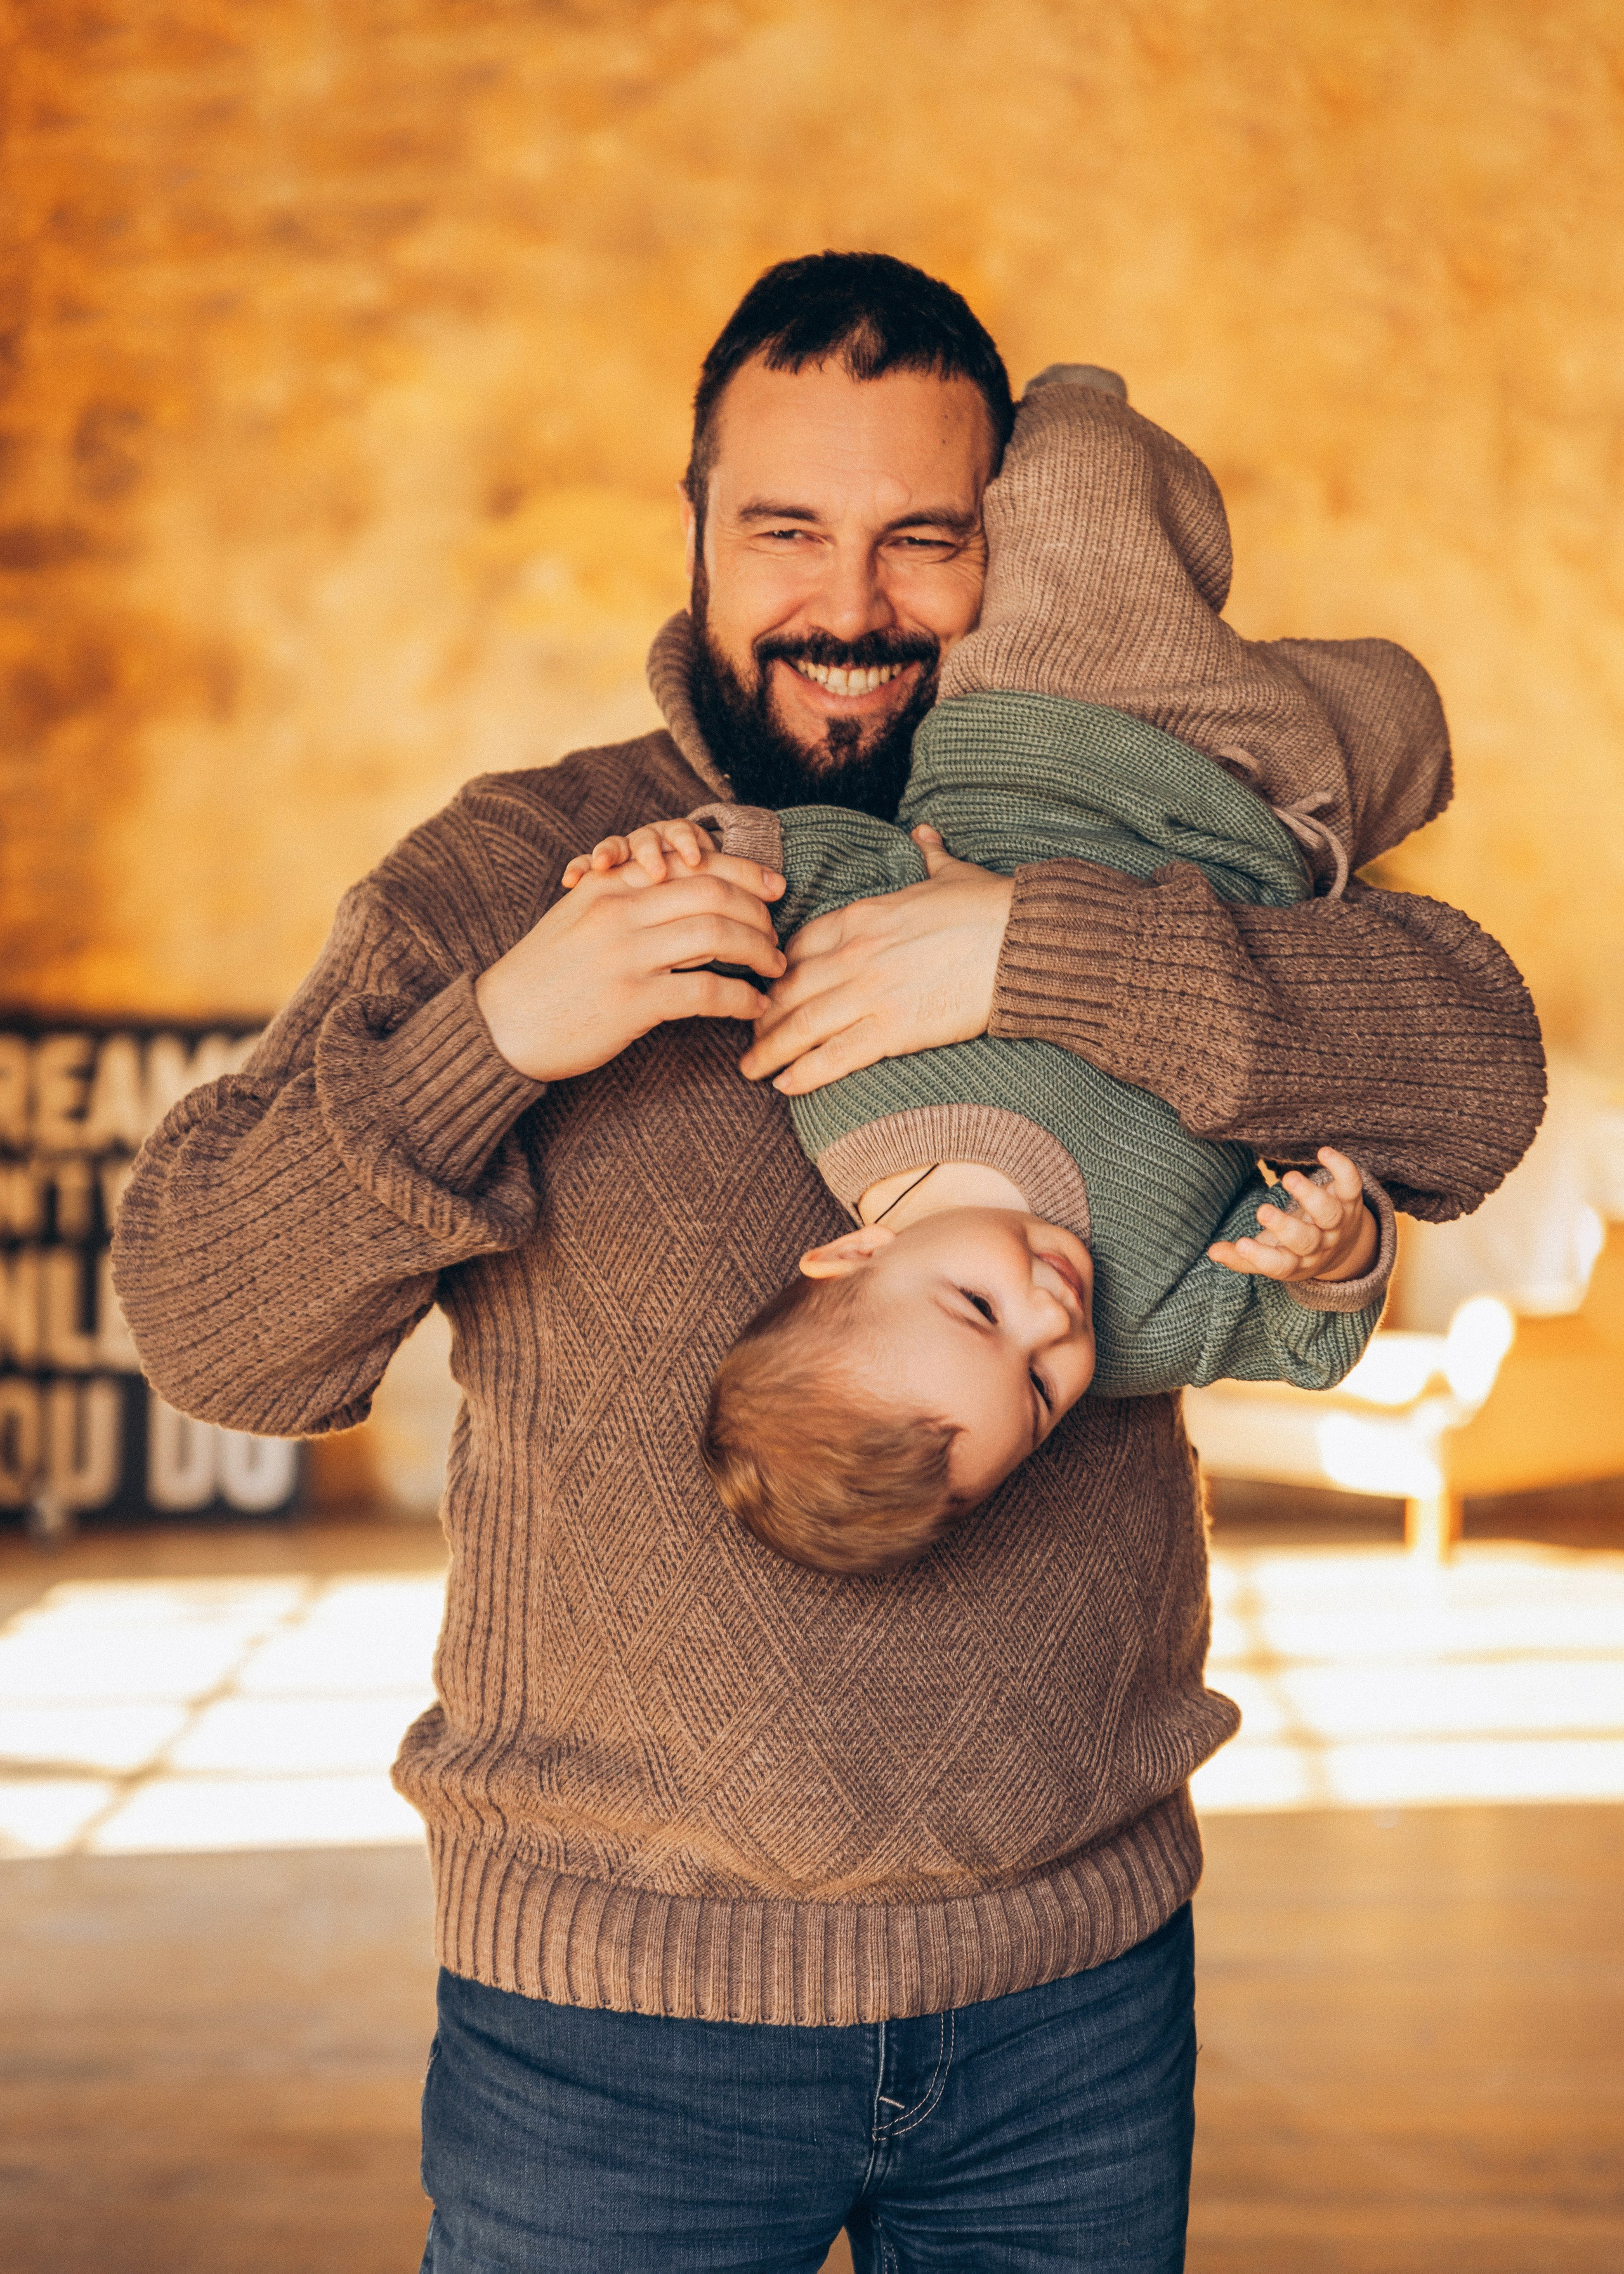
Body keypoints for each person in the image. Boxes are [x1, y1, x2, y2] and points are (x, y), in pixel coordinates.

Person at [112, 253, 1544, 2271]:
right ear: (694, 529)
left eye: (922, 539)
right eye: (786, 528)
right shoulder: (530, 868)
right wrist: (503, 1033)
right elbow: (208, 1327)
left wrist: (1038, 946)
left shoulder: (1159, 838)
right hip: (609, 2037)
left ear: (1008, 555)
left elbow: (1476, 1070)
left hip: (1074, 2003)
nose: (853, 602)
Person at [572, 367, 1452, 1574]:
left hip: (1059, 722)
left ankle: (1067, 398)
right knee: (1413, 717)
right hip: (1272, 824)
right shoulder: (1144, 1324)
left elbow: (825, 873)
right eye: (1041, 1390)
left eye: (979, 1311)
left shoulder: (834, 1083)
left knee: (1083, 460)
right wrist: (1332, 1256)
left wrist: (698, 859)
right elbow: (1301, 1336)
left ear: (852, 1256)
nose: (1052, 1318)